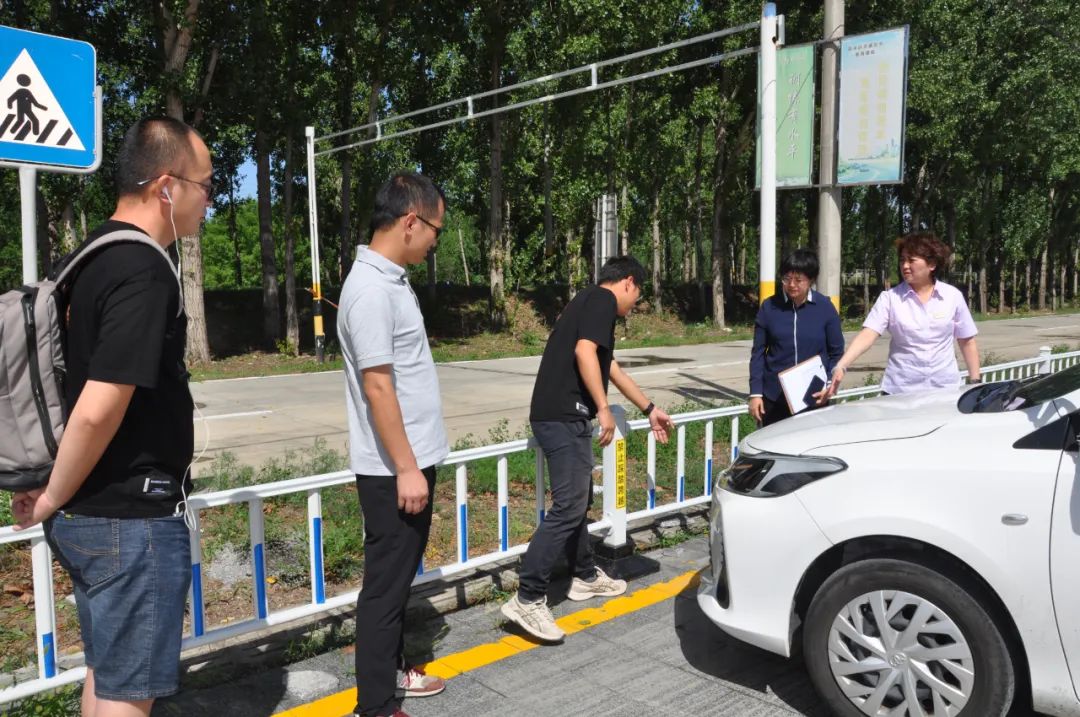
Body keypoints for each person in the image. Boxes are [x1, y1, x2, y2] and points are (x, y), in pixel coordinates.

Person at [11, 117, 212, 717]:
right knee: (128, 695)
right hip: (129, 519)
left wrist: (55, 492)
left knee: (107, 675)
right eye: (206, 185)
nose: (210, 201)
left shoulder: (90, 256)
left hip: (92, 512)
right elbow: (98, 407)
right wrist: (50, 497)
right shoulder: (143, 269)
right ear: (167, 187)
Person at [501, 256, 676, 643]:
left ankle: (583, 576)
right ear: (629, 282)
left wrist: (649, 409)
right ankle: (528, 597)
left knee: (576, 503)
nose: (635, 305)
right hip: (563, 415)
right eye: (638, 295)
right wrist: (601, 407)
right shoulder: (601, 301)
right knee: (568, 506)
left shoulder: (588, 302)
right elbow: (584, 353)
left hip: (564, 415)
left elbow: (609, 366)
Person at [338, 172, 450, 717]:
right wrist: (407, 468)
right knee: (383, 590)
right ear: (411, 221)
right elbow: (377, 384)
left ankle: (394, 670)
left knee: (398, 581)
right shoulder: (368, 290)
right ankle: (376, 706)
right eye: (435, 229)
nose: (435, 241)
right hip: (392, 471)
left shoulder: (391, 280)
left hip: (411, 462)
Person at [819, 231, 981, 401]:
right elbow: (868, 334)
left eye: (911, 260)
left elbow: (967, 341)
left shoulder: (952, 296)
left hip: (945, 390)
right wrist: (842, 365)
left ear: (931, 264)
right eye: (902, 260)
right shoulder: (890, 298)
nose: (904, 266)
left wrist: (975, 382)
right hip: (901, 391)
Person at [748, 249, 844, 426]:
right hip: (774, 398)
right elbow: (758, 354)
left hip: (814, 396)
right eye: (787, 279)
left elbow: (836, 352)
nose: (792, 285)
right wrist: (755, 393)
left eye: (799, 280)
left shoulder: (824, 307)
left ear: (811, 280)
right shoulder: (769, 307)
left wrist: (829, 385)